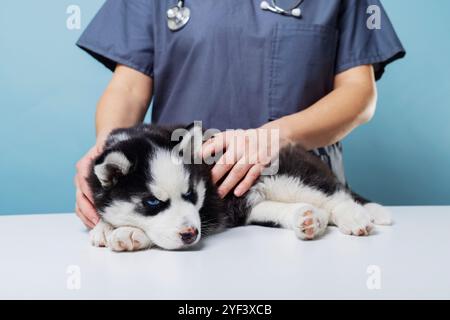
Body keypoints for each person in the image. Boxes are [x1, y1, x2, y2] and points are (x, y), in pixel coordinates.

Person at [74, 0, 405, 228]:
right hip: (187, 212)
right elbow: (128, 87)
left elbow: (359, 94)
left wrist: (277, 136)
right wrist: (107, 153)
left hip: (306, 199)